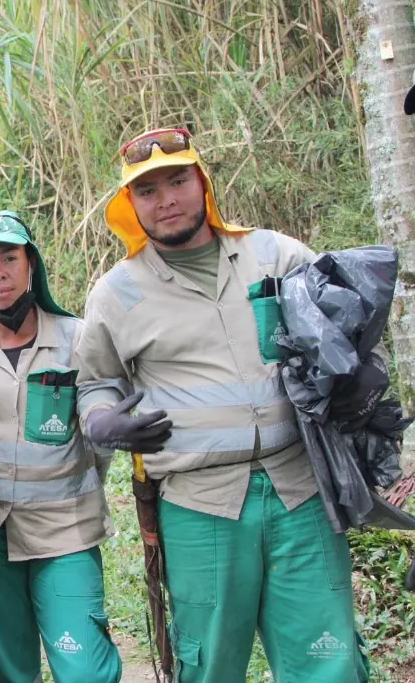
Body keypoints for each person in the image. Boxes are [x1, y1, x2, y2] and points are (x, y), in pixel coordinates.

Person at [75, 128, 384, 682]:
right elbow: (94, 380)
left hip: (301, 492)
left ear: (204, 184)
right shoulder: (117, 293)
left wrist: (359, 377)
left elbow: (347, 323)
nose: (166, 199)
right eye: (147, 190)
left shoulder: (275, 253)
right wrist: (101, 420)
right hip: (201, 506)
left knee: (328, 657)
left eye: (178, 180)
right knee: (210, 663)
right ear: (131, 206)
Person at [0, 211, 121, 683]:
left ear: (30, 264)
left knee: (84, 668)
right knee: (6, 669)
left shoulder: (78, 338)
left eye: (9, 258)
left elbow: (100, 437)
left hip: (66, 532)